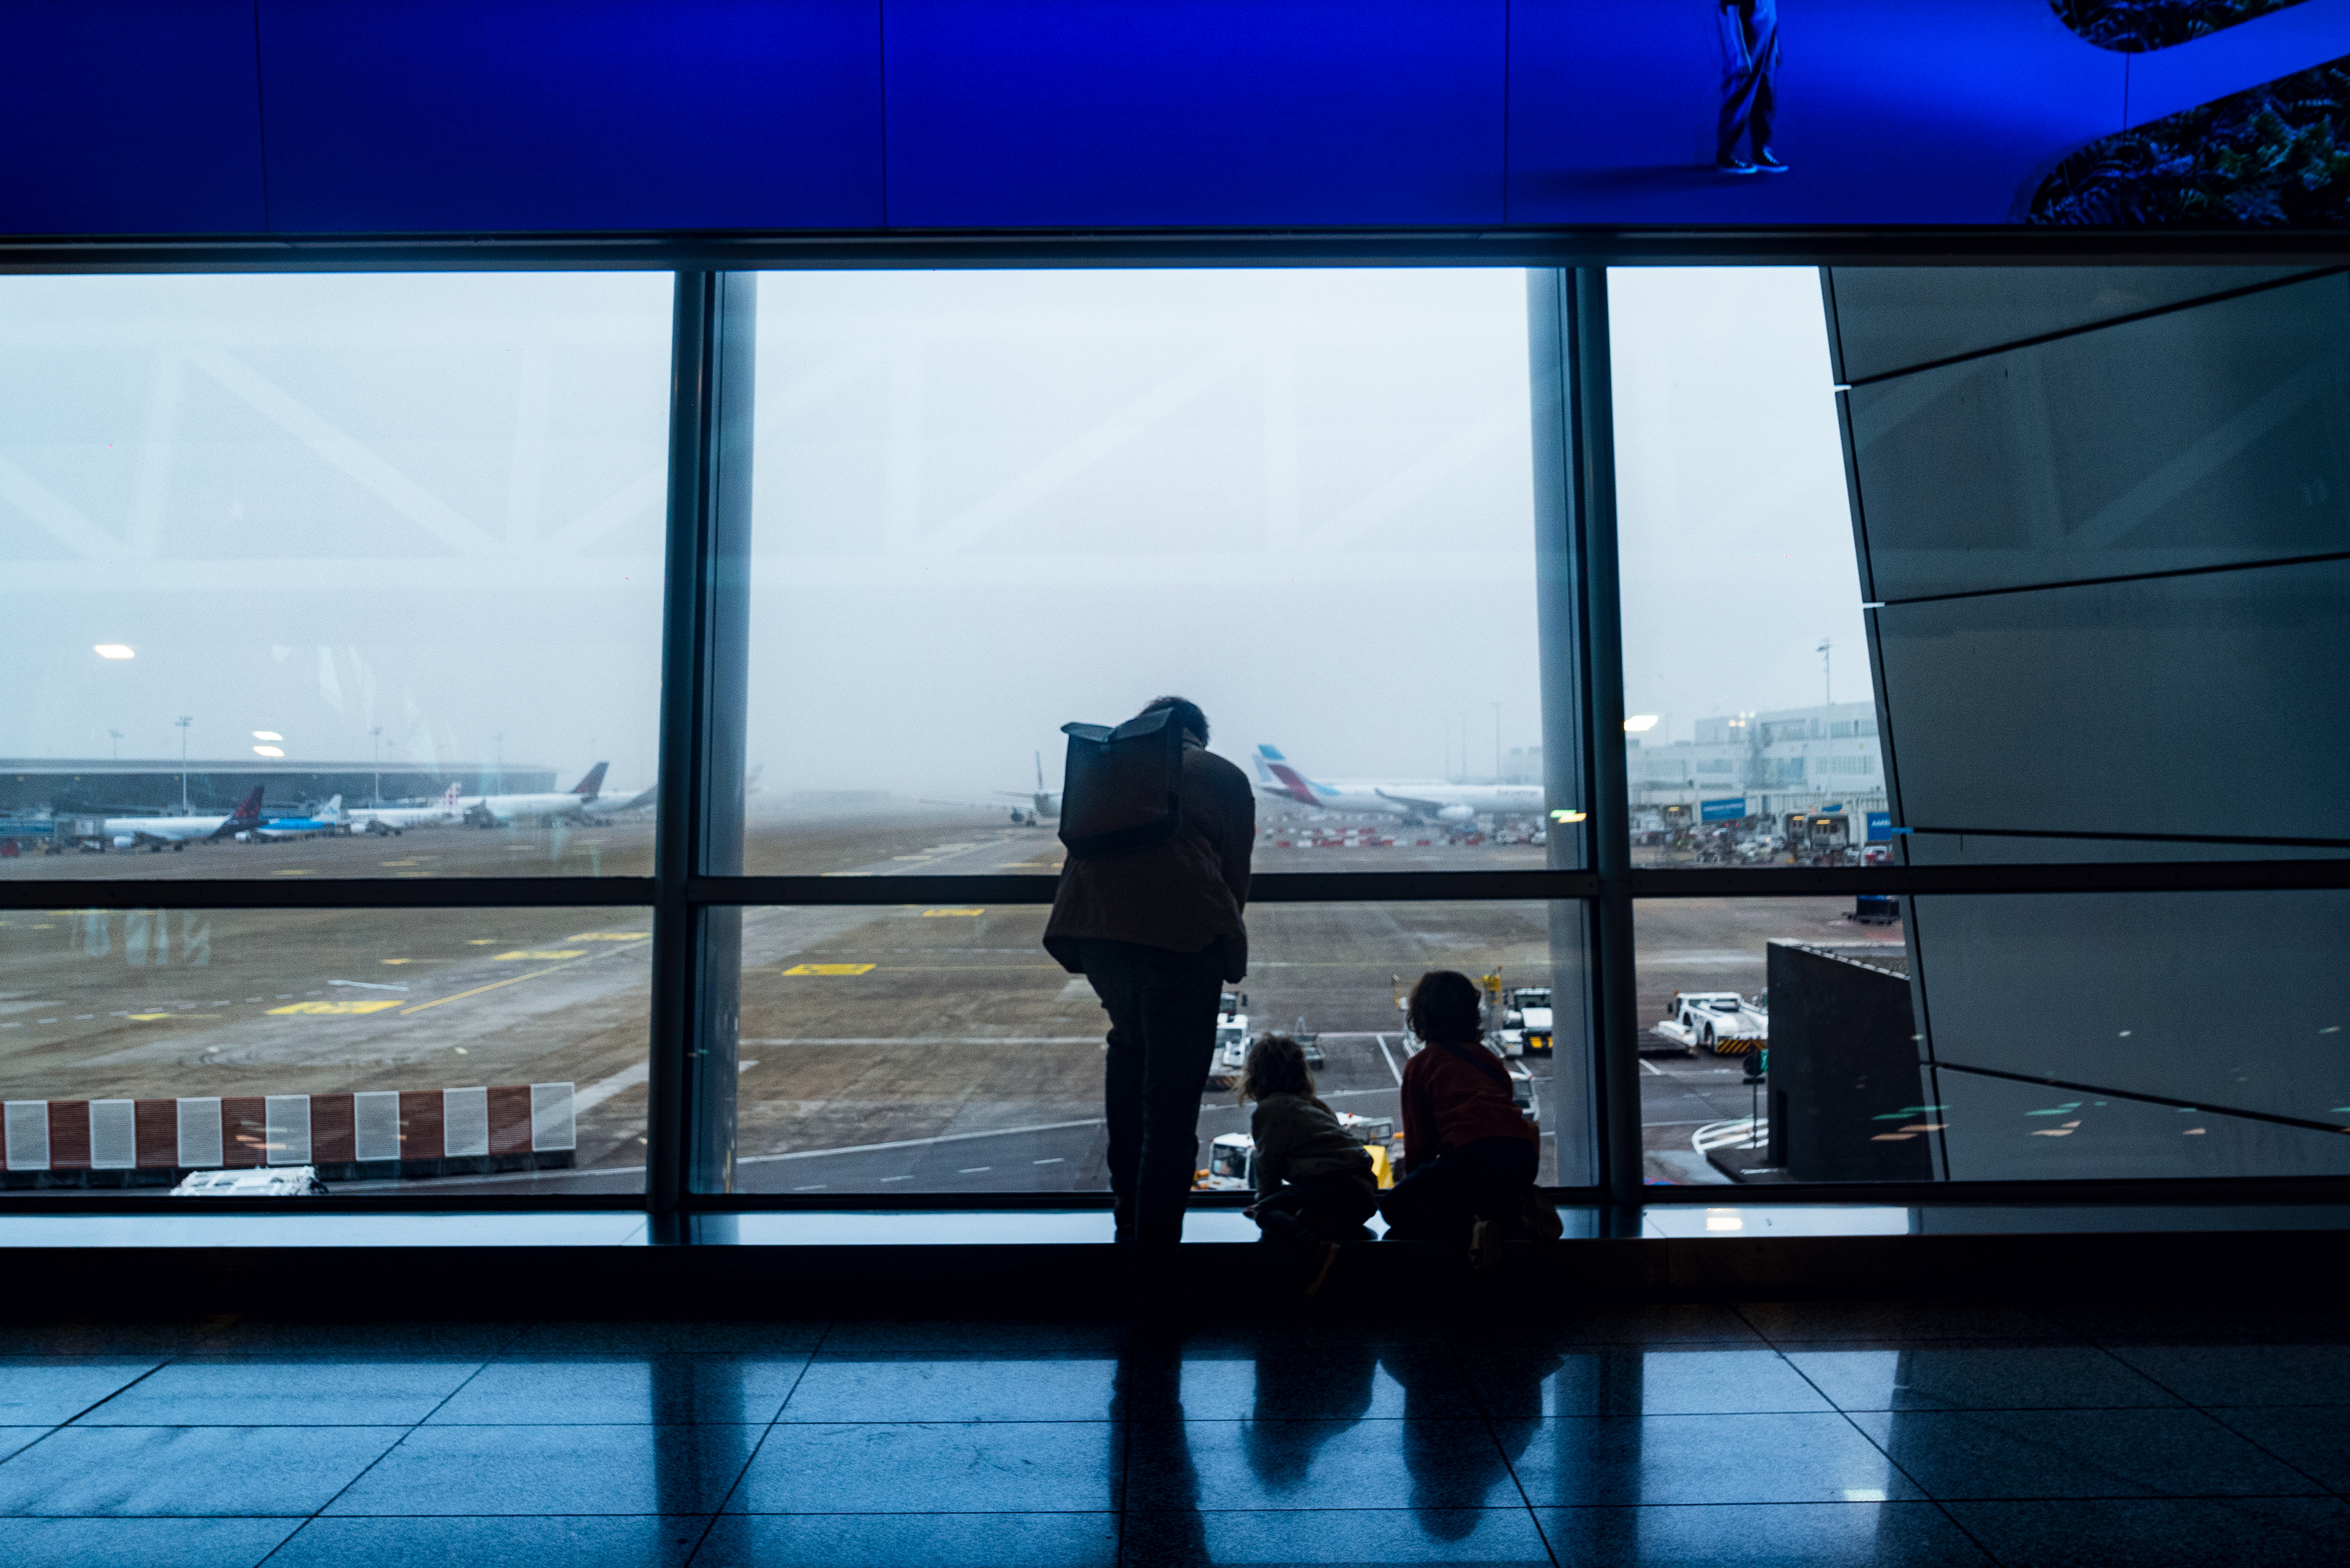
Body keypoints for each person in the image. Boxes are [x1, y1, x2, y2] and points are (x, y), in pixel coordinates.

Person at [1043, 695, 1255, 1290]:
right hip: (1183, 940)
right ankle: (1157, 1257)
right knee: (1172, 1103)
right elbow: (1233, 876)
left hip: (1098, 934)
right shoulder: (1222, 776)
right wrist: (1223, 940)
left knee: (1129, 1044)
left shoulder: (1114, 770)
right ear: (1197, 737)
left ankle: (1127, 1213)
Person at [1380, 969, 1552, 1257]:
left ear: (1422, 1015)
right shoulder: (1490, 1061)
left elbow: (1419, 1146)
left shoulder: (1422, 1065)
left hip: (1471, 1157)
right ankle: (1519, 1211)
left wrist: (1417, 1182)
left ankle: (1472, 1231)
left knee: (1395, 1206)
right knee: (1487, 1194)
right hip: (1521, 1158)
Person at [1236, 1032, 1379, 1295]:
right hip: (1362, 1195)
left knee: (1267, 1212)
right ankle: (1318, 1226)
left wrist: (1264, 1204)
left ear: (1256, 1076)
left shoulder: (1270, 1110)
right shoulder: (1315, 1106)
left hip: (1336, 1188)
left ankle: (1315, 1253)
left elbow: (1268, 1165)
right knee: (1302, 1214)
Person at [1717, 0, 1786, 175]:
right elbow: (1733, 14)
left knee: (1765, 97)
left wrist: (1774, 44)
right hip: (1746, 41)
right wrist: (1741, 54)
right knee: (1739, 96)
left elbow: (1770, 11)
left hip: (1766, 43)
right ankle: (1726, 154)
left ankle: (1762, 151)